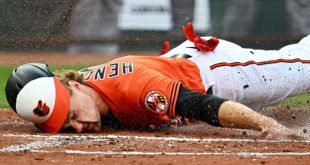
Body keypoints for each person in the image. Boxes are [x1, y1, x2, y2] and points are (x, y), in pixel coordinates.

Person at [5, 23, 310, 139]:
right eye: (67, 126)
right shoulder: (82, 92)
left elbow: (202, 106)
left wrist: (266, 125)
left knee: (302, 65)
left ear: (72, 86)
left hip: (218, 71)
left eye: (72, 115)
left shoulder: (134, 87)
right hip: (180, 68)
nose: (77, 126)